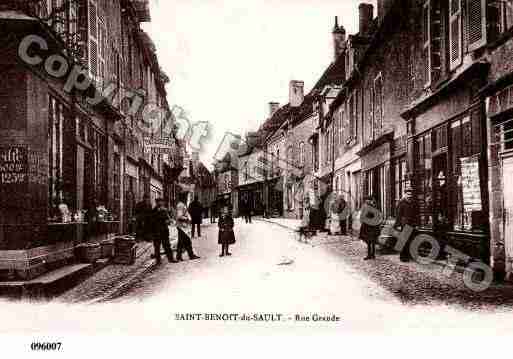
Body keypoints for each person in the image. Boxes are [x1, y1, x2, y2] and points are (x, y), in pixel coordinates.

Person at [394, 188, 419, 262]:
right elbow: (398, 215)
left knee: (411, 240)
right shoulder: (401, 203)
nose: (409, 196)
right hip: (404, 224)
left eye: (410, 194)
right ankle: (403, 256)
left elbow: (417, 214)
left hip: (412, 224)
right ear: (405, 194)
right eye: (408, 194)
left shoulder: (414, 203)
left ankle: (409, 255)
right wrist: (398, 224)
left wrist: (417, 224)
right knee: (404, 241)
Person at [151, 198, 176, 265]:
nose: (160, 203)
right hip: (156, 232)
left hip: (164, 231)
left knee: (167, 246)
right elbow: (151, 222)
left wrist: (168, 221)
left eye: (161, 202)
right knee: (157, 247)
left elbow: (169, 220)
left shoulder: (164, 210)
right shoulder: (153, 211)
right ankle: (158, 261)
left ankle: (171, 258)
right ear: (156, 203)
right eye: (158, 202)